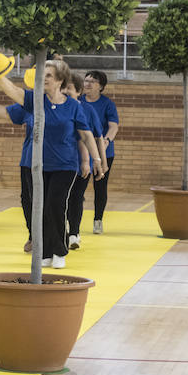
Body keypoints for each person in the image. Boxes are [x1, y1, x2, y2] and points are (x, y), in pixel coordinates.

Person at [0, 60, 104, 269]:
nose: (43, 78)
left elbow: (86, 135)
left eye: (48, 75)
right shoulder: (35, 100)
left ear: (60, 80)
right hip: (38, 166)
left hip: (65, 165)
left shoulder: (73, 106)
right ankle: (44, 251)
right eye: (41, 74)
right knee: (40, 209)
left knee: (55, 205)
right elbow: (15, 92)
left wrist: (95, 159)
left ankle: (59, 250)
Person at [0, 91, 34, 252]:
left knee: (51, 202)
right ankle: (34, 235)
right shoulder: (31, 103)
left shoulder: (65, 103)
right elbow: (6, 113)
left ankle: (58, 237)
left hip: (56, 163)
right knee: (27, 200)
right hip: (29, 161)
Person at [65, 73, 107, 250]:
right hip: (62, 162)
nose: (65, 91)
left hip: (83, 163)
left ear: (78, 91)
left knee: (76, 197)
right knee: (61, 199)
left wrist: (102, 162)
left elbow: (97, 137)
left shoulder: (88, 110)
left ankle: (74, 232)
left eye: (69, 88)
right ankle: (64, 231)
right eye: (63, 88)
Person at [80, 70, 119, 234]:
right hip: (81, 151)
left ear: (101, 86)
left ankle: (98, 220)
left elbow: (113, 126)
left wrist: (106, 140)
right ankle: (74, 222)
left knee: (100, 187)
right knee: (78, 188)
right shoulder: (78, 101)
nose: (87, 84)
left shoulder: (107, 104)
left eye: (92, 81)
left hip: (103, 152)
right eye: (86, 80)